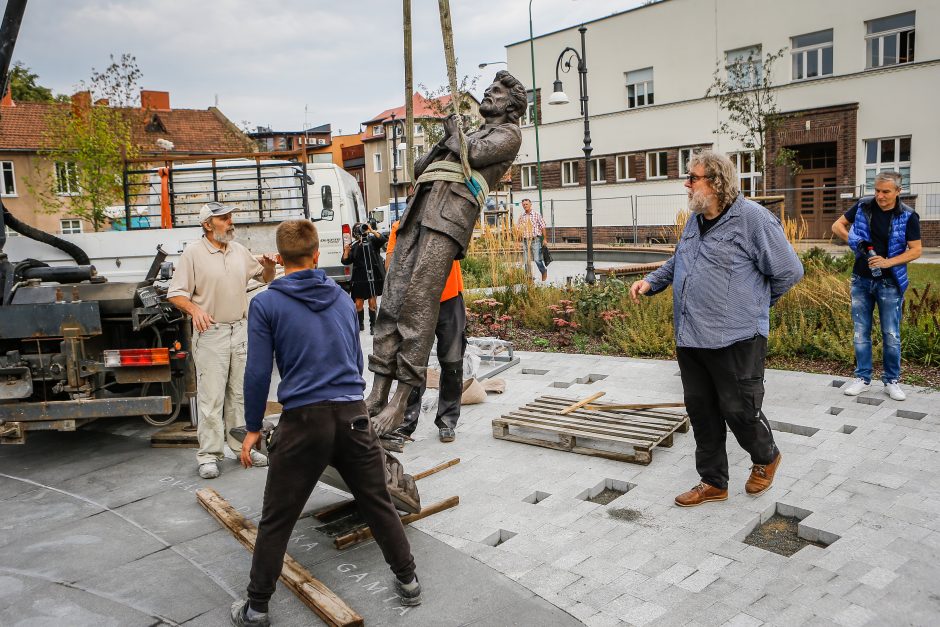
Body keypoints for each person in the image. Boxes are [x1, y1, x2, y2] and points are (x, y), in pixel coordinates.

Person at [231, 220, 420, 627]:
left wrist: (251, 427)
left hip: (303, 422)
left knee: (278, 517)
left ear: (279, 260)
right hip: (353, 416)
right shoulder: (339, 297)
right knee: (377, 502)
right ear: (317, 254)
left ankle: (257, 608)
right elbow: (355, 361)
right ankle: (408, 582)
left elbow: (258, 372)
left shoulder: (265, 303)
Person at [629, 150, 803, 507]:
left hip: (736, 338)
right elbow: (681, 259)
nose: (686, 183)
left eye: (693, 177)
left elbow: (789, 271)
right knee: (702, 412)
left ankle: (766, 457)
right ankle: (713, 482)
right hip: (691, 336)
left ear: (717, 182)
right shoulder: (695, 219)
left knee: (739, 409)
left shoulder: (754, 220)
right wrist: (653, 281)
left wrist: (755, 307)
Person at [366, 70, 524, 434]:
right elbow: (420, 169)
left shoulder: (509, 135)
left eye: (497, 91)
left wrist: (456, 137)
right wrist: (447, 137)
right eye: (490, 88)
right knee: (393, 301)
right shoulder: (466, 134)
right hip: (419, 213)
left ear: (512, 105)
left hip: (447, 219)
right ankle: (376, 392)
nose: (489, 92)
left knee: (419, 303)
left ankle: (400, 401)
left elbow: (475, 153)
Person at [168, 201, 276, 480]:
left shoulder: (239, 251)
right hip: (211, 333)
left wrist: (269, 266)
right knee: (211, 398)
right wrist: (194, 309)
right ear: (207, 225)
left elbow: (264, 277)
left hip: (239, 329)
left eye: (230, 217)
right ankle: (208, 455)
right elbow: (175, 293)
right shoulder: (193, 253)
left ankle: (243, 448)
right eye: (224, 218)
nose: (230, 222)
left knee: (239, 395)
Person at [831, 171, 922, 401]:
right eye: (877, 191)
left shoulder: (908, 216)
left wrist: (887, 262)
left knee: (891, 333)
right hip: (861, 279)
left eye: (886, 192)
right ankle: (863, 378)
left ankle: (892, 381)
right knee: (861, 332)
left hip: (889, 282)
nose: (880, 196)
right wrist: (856, 242)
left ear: (898, 191)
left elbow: (916, 250)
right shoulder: (863, 206)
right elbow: (837, 226)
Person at [385, 219, 466, 443]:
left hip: (449, 298)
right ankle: (406, 422)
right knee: (412, 362)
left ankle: (448, 420)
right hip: (416, 303)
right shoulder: (401, 226)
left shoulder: (449, 221)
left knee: (452, 361)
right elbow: (390, 266)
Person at [341, 221, 386, 334]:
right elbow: (345, 261)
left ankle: (373, 325)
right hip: (359, 277)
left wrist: (371, 230)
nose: (362, 230)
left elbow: (382, 239)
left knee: (372, 301)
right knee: (358, 303)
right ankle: (360, 324)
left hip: (372, 275)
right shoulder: (354, 245)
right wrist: (346, 251)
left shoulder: (372, 241)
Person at [516, 198, 548, 281]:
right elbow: (518, 229)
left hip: (535, 240)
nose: (525, 206)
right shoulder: (522, 216)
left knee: (537, 259)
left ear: (530, 204)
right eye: (523, 205)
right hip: (525, 240)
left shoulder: (536, 214)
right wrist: (517, 240)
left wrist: (545, 239)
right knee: (527, 261)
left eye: (526, 204)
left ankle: (543, 271)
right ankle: (529, 277)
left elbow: (543, 226)